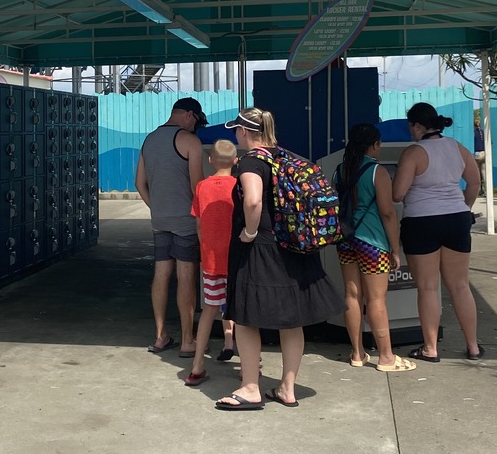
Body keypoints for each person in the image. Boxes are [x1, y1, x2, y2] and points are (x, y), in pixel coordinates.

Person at [215, 107, 344, 410]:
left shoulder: (251, 161)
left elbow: (254, 199)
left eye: (237, 130)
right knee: (292, 319)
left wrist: (247, 232)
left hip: (261, 248)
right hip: (294, 245)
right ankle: (287, 388)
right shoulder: (285, 156)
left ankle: (249, 388)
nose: (236, 135)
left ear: (244, 132)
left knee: (246, 318)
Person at [393, 102, 483, 363]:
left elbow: (398, 194)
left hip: (422, 221)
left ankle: (430, 348)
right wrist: (463, 208)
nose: (410, 131)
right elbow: (475, 182)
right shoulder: (457, 147)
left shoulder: (413, 153)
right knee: (460, 285)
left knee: (428, 287)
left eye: (411, 126)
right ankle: (473, 346)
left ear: (418, 125)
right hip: (456, 219)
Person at [335, 124, 416, 373]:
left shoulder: (340, 170)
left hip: (346, 240)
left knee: (352, 295)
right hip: (372, 243)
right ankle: (386, 357)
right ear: (374, 145)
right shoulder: (377, 171)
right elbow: (388, 213)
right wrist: (395, 248)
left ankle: (357, 353)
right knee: (377, 299)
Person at [135, 97, 206, 357]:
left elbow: (138, 182)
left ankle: (160, 336)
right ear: (189, 115)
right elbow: (197, 187)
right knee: (186, 275)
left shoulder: (149, 140)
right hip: (186, 221)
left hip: (160, 219)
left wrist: (156, 207)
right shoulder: (190, 141)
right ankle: (188, 340)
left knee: (161, 273)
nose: (196, 128)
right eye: (196, 122)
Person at [184, 139, 238, 386]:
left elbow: (198, 223)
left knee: (209, 311)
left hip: (211, 261)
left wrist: (205, 248)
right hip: (238, 261)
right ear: (236, 161)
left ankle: (197, 366)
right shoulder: (240, 186)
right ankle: (250, 366)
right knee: (243, 312)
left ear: (210, 160)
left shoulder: (202, 187)